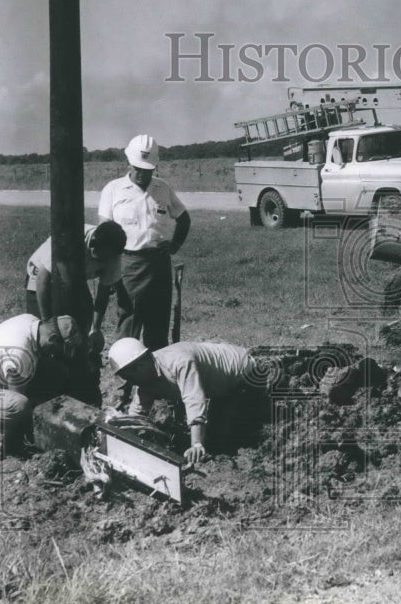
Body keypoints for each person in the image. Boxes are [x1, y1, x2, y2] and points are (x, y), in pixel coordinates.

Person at [98, 134, 191, 351]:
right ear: (128, 163)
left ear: (155, 167)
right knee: (128, 323)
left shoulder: (163, 188)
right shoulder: (113, 189)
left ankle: (155, 378)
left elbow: (184, 218)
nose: (142, 173)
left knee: (158, 323)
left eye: (147, 169)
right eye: (138, 168)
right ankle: (124, 379)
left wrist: (175, 245)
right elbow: (105, 233)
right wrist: (109, 270)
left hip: (159, 263)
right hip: (129, 264)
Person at [107, 337, 259, 465]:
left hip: (245, 374)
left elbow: (194, 399)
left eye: (130, 378)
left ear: (139, 366)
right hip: (218, 388)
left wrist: (196, 444)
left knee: (223, 441)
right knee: (214, 430)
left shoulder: (179, 361)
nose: (132, 383)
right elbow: (137, 413)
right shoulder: (146, 376)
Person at [0, 314, 86, 452]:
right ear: (53, 339)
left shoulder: (31, 320)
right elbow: (18, 400)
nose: (56, 354)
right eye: (59, 349)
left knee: (57, 371)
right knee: (20, 405)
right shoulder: (20, 352)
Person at [24, 221, 127, 356]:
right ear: (93, 244)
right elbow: (42, 280)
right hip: (40, 276)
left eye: (108, 257)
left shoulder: (113, 253)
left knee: (78, 326)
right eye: (102, 256)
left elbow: (103, 293)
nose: (105, 261)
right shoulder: (69, 240)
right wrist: (47, 322)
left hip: (73, 278)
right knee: (45, 334)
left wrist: (95, 328)